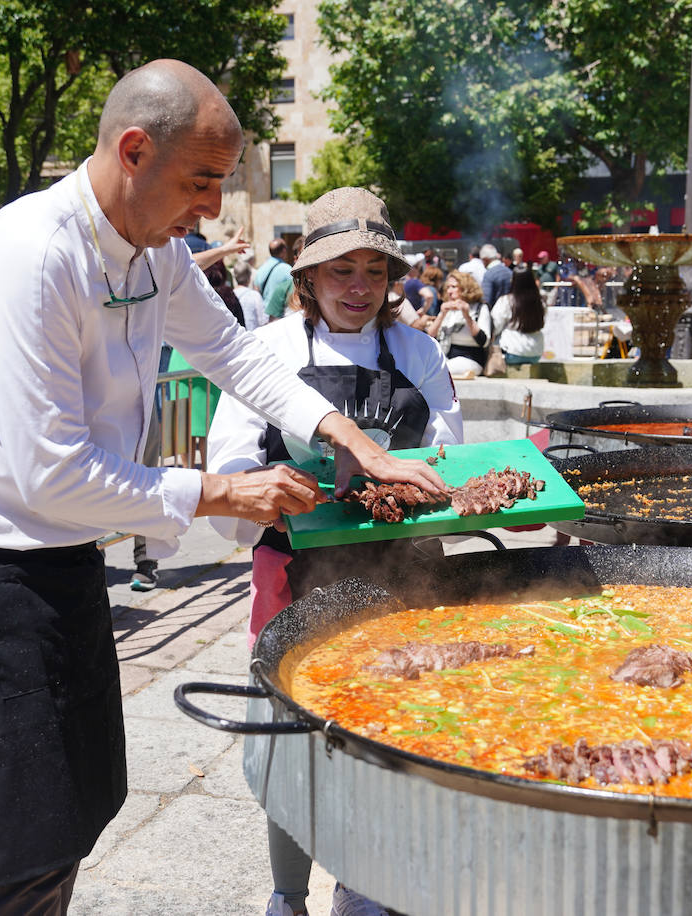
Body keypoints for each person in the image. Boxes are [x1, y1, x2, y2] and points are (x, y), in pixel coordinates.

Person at [0, 60, 446, 914]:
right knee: (28, 825)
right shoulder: (34, 251)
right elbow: (53, 471)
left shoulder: (156, 251)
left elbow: (236, 355)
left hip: (63, 543)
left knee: (84, 791)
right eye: (203, 181)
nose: (213, 208)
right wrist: (225, 493)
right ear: (135, 151)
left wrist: (355, 442)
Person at [207, 186, 461, 916]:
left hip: (404, 575)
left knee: (393, 734)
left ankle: (367, 883)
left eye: (373, 272)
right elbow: (229, 465)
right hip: (293, 571)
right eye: (340, 270)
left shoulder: (417, 351)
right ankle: (288, 895)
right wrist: (273, 495)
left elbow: (452, 455)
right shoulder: (269, 352)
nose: (358, 287)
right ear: (308, 278)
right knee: (292, 741)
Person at [428, 269, 492, 376]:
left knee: (439, 369)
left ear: (465, 288)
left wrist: (467, 315)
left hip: (471, 359)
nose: (449, 291)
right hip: (446, 356)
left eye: (453, 287)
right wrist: (442, 314)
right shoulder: (448, 307)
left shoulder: (479, 308)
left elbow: (484, 341)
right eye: (447, 287)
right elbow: (430, 336)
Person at [491, 264, 546, 365]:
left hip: (512, 352)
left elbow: (495, 326)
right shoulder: (540, 302)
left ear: (514, 281)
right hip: (535, 354)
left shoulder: (506, 301)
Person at [257, 238, 293, 323]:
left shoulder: (260, 269)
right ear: (284, 250)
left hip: (263, 314)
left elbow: (256, 289)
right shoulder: (288, 270)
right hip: (279, 315)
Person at [232, 260, 267, 331]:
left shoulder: (229, 295)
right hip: (253, 336)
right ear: (249, 276)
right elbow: (263, 320)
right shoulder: (254, 295)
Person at [480, 244, 512, 308]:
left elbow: (486, 300)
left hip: (495, 314)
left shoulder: (489, 274)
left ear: (485, 259)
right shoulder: (509, 272)